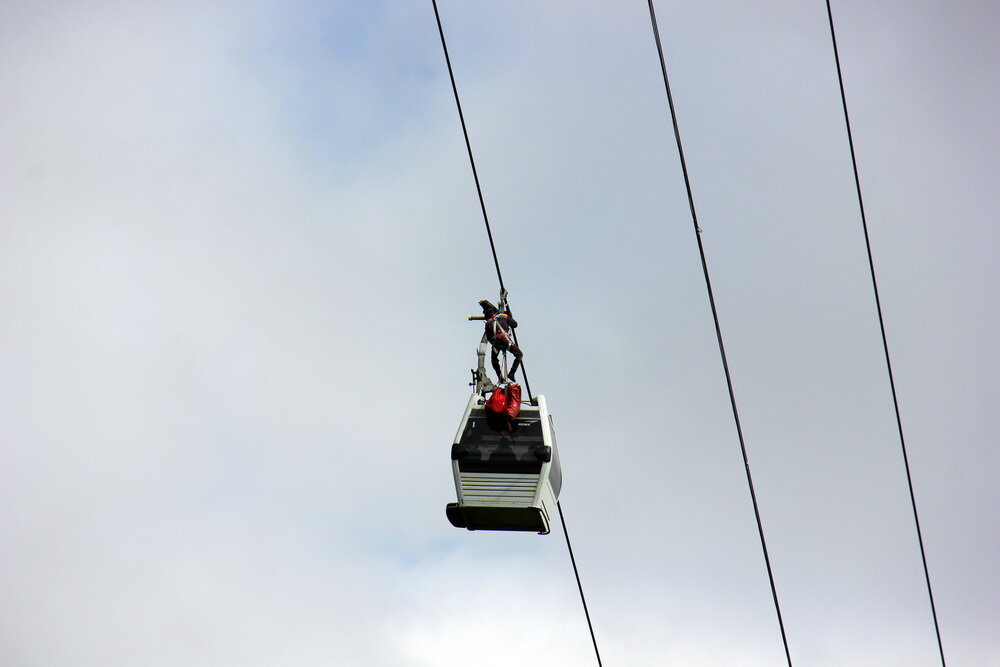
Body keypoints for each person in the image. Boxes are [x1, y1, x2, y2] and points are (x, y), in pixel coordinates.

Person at [479, 299, 523, 383]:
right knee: (519, 354)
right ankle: (511, 373)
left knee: (494, 360)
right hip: (505, 340)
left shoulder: (488, 323)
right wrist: (509, 316)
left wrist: (496, 344)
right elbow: (515, 324)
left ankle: (500, 377)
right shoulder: (503, 316)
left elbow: (489, 338)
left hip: (496, 343)